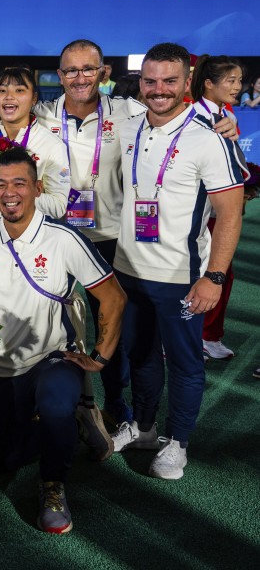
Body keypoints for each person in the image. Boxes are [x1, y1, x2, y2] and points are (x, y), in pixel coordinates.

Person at [0, 147, 126, 534]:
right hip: (4, 364)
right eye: (0, 184)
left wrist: (100, 358)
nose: (9, 192)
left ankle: (53, 486)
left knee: (53, 400)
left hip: (55, 357)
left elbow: (114, 297)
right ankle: (75, 422)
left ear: (37, 188)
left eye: (19, 182)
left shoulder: (63, 237)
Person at [109, 43, 244, 481]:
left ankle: (178, 442)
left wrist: (215, 277)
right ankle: (145, 428)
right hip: (129, 271)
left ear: (188, 82)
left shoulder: (209, 137)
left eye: (170, 80)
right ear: (140, 83)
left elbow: (230, 212)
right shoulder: (128, 128)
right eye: (150, 81)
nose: (159, 89)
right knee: (141, 356)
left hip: (182, 277)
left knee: (185, 362)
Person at [33, 39, 147, 433]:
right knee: (52, 317)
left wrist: (217, 122)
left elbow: (174, 119)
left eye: (88, 69)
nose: (79, 77)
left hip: (108, 236)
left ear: (103, 72)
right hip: (54, 234)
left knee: (110, 321)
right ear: (59, 75)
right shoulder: (42, 114)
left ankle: (115, 404)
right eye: (70, 70)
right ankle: (58, 400)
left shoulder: (129, 112)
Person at [185, 55, 249, 361]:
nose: (238, 87)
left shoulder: (227, 116)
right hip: (194, 213)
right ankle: (188, 338)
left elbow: (236, 167)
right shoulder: (189, 116)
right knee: (193, 275)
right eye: (231, 81)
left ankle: (209, 335)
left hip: (218, 210)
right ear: (208, 83)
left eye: (239, 81)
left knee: (222, 273)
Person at [0, 66, 70, 233]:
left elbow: (58, 206)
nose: (9, 97)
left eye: (19, 90)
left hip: (30, 242)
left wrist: (22, 194)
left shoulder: (52, 145)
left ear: (34, 98)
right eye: (2, 90)